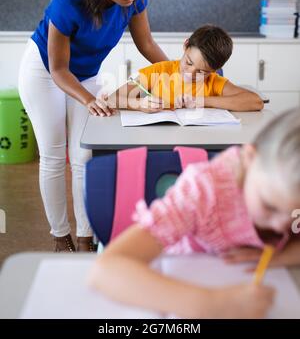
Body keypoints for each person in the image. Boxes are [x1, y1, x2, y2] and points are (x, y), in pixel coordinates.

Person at [18, 0, 168, 252]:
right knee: (54, 155)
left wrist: (180, 73)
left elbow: (148, 46)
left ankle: (86, 237)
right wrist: (89, 100)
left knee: (84, 155)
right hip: (44, 72)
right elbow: (59, 69)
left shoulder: (134, 0)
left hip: (86, 74)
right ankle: (61, 237)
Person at [88, 108, 300, 318]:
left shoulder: (273, 190)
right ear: (250, 158)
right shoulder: (204, 190)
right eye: (269, 206)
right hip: (184, 285)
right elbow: (105, 270)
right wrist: (213, 305)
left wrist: (284, 255)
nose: (281, 225)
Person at [96, 25, 264, 114]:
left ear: (215, 70)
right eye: (189, 63)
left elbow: (255, 102)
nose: (190, 73)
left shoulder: (214, 82)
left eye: (202, 72)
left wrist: (202, 101)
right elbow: (112, 99)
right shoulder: (159, 70)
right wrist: (139, 103)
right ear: (185, 46)